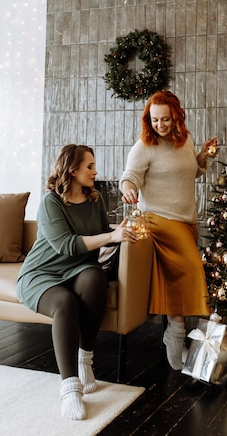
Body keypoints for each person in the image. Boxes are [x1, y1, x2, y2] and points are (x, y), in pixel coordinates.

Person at [16, 144, 138, 421]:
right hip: (42, 273)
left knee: (95, 277)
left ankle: (86, 358)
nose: (96, 172)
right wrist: (111, 237)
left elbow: (98, 233)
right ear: (72, 170)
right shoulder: (51, 202)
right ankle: (70, 387)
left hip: (78, 269)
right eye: (90, 166)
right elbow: (66, 245)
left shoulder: (95, 199)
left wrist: (120, 229)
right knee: (65, 303)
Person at [120, 90, 217, 370]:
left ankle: (177, 337)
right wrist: (128, 190)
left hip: (188, 220)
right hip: (159, 219)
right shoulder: (144, 146)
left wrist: (202, 155)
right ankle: (175, 338)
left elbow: (193, 172)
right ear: (148, 120)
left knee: (178, 281)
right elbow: (129, 177)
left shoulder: (184, 140)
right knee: (192, 271)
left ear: (177, 116)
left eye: (165, 119)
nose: (160, 125)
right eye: (155, 120)